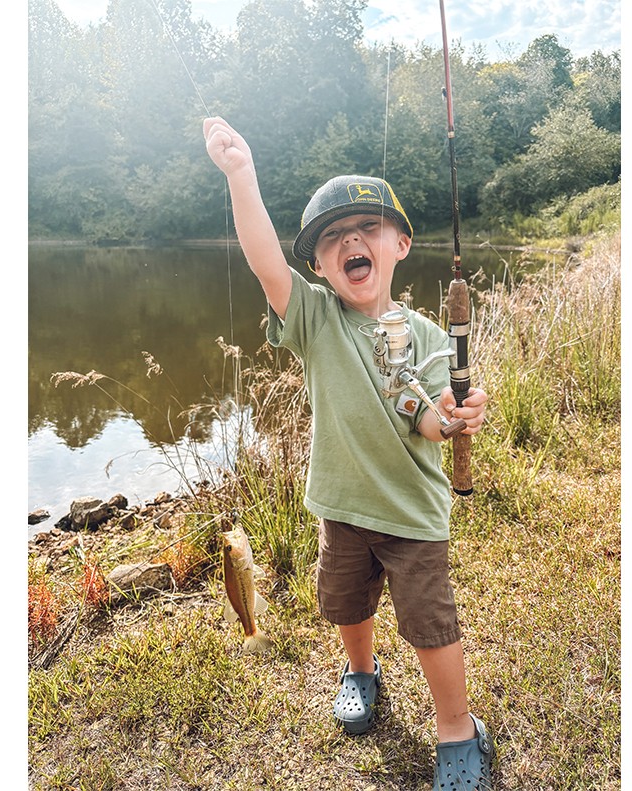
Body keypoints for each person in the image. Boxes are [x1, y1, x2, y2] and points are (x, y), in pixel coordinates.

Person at [203, 116, 494, 790]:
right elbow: (261, 260)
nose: (350, 241)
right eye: (333, 238)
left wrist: (452, 416)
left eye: (366, 228)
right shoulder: (312, 317)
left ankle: (455, 725)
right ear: (317, 266)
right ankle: (359, 672)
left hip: (411, 513)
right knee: (347, 604)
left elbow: (418, 408)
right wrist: (241, 176)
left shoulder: (414, 331)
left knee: (430, 624)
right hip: (340, 505)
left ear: (400, 244)